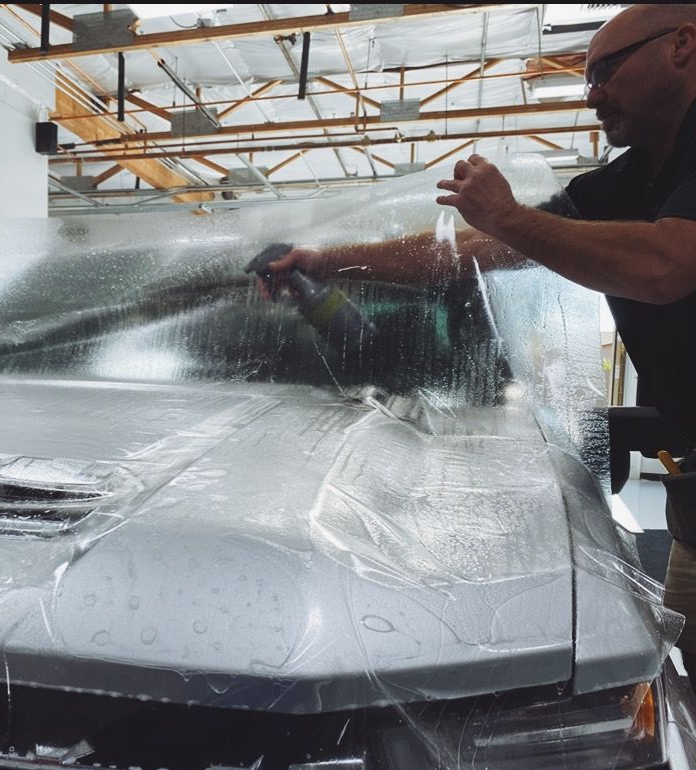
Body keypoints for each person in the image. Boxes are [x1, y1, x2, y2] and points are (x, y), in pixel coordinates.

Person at [263, 5, 696, 669]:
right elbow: (470, 250)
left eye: (605, 70)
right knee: (678, 689)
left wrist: (511, 218)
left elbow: (667, 265)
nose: (592, 93)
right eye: (586, 79)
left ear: (681, 46)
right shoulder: (625, 181)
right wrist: (323, 261)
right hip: (693, 518)